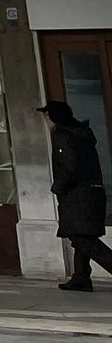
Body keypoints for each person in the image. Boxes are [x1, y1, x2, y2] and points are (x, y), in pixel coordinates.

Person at [43, 99, 112, 291]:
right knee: (81, 236)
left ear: (53, 117)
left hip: (78, 195)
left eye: (47, 116)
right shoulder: (81, 133)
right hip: (91, 192)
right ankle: (80, 277)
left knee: (82, 237)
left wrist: (58, 187)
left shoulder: (63, 136)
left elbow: (70, 166)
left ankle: (82, 276)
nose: (46, 121)